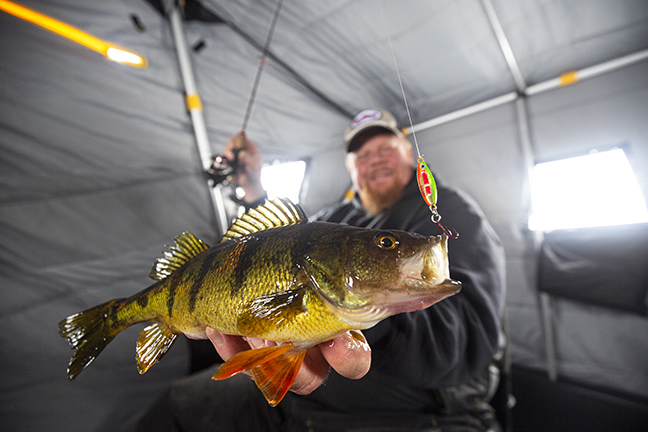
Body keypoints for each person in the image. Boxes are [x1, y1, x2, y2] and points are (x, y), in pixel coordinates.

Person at [138, 109, 506, 432]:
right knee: (174, 404)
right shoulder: (339, 217)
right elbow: (280, 251)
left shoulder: (452, 215)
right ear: (350, 168)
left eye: (385, 149)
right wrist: (253, 190)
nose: (374, 160)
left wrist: (362, 311)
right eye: (361, 155)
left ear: (409, 154)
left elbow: (466, 342)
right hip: (312, 397)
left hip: (417, 408)